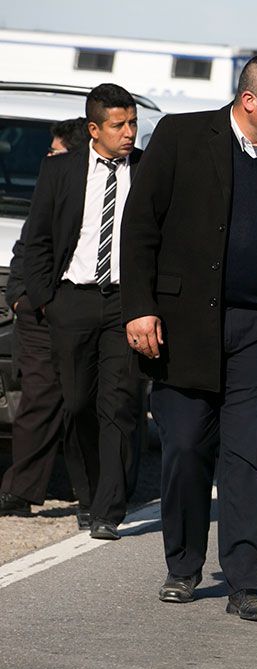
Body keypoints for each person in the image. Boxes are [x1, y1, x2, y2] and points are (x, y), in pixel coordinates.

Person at [121, 55, 257, 620]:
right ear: (249, 102)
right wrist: (139, 309)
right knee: (186, 446)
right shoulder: (182, 136)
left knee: (247, 454)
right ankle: (184, 565)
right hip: (183, 328)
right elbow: (140, 226)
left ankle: (247, 582)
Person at [21, 85, 143, 540]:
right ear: (94, 129)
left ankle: (108, 509)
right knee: (76, 405)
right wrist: (45, 300)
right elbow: (36, 239)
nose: (129, 132)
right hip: (71, 300)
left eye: (132, 123)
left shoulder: (147, 169)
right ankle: (87, 496)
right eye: (119, 125)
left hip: (126, 304)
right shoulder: (61, 171)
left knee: (119, 405)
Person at [0, 117, 91, 519]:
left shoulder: (107, 194)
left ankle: (93, 497)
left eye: (53, 152)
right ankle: (20, 491)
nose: (47, 159)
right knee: (37, 399)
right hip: (37, 312)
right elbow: (26, 245)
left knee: (84, 403)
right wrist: (20, 297)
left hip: (86, 311)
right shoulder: (48, 190)